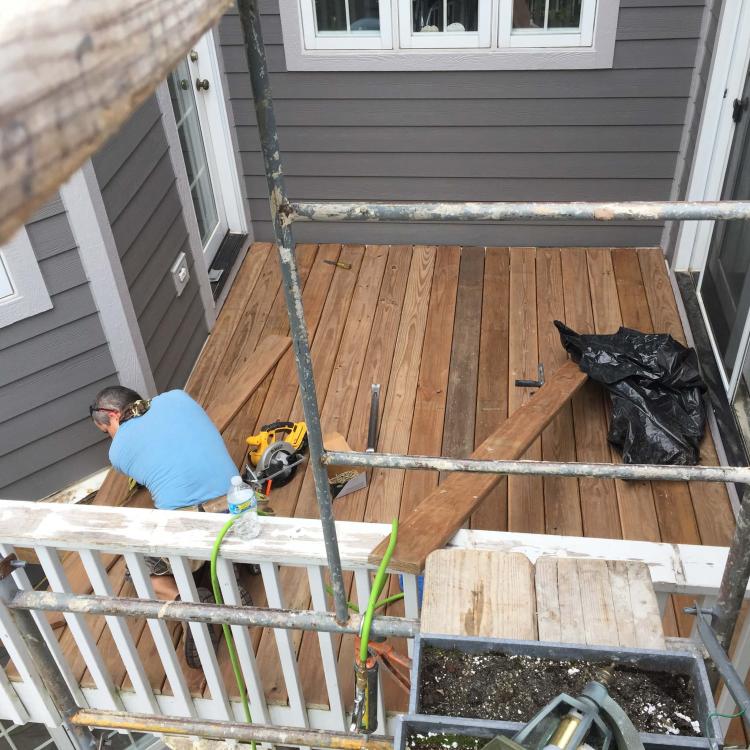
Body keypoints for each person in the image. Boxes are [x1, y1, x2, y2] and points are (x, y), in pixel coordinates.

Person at [90, 385, 247, 667]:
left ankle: (187, 600)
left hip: (189, 530)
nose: (110, 438)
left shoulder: (118, 452)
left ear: (113, 415)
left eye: (107, 431)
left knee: (136, 570)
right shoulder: (178, 397)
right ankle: (226, 579)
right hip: (238, 508)